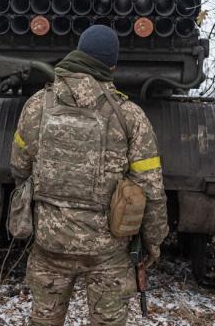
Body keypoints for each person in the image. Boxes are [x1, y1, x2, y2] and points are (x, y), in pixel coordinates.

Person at [11, 24, 168, 326]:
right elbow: (150, 188)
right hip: (107, 250)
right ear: (111, 65)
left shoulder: (37, 106)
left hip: (49, 243)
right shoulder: (129, 115)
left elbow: (19, 167)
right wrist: (154, 242)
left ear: (78, 53)